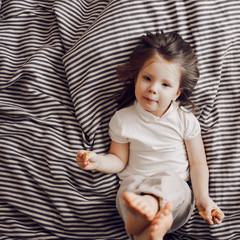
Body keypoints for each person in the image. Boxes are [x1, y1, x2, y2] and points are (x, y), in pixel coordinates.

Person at [76, 31, 224, 240]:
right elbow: (118, 160)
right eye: (147, 78)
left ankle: (150, 209)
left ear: (177, 93)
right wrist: (97, 161)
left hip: (175, 200)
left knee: (172, 182)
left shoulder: (184, 119)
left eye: (165, 85)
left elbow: (198, 163)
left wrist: (203, 199)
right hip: (135, 188)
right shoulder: (123, 119)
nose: (153, 89)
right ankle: (146, 230)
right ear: (135, 78)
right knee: (128, 188)